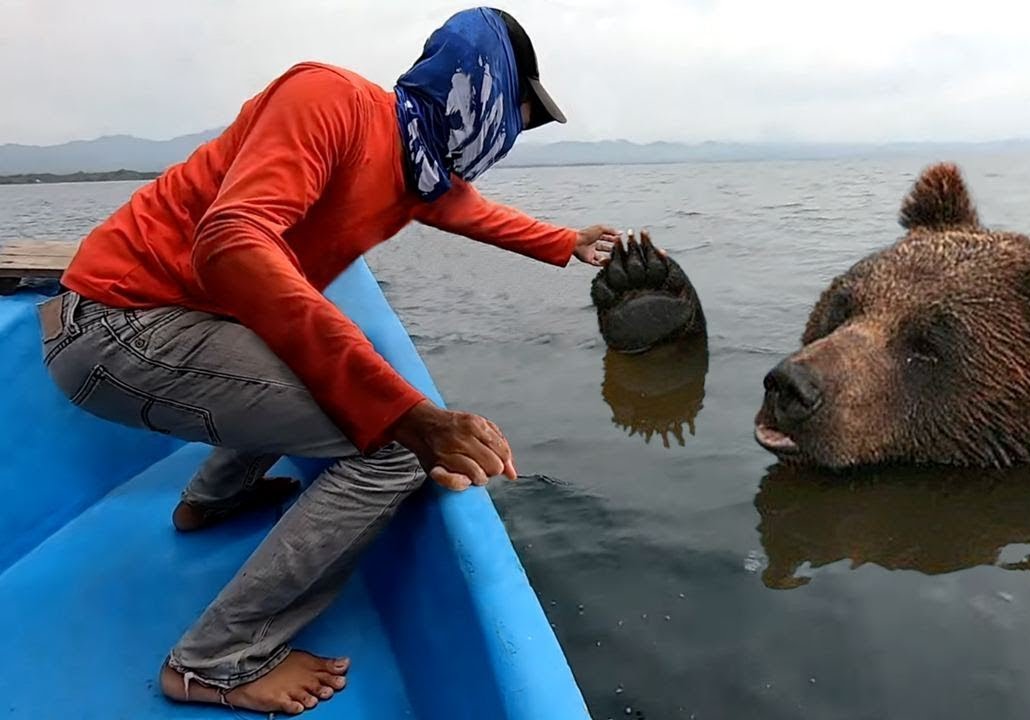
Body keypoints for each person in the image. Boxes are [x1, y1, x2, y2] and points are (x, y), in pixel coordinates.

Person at [38, 7, 617, 715]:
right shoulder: (329, 100)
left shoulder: (416, 167)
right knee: (395, 446)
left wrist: (566, 243)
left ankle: (210, 502)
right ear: (482, 91)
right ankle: (217, 660)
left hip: (163, 321)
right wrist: (408, 416)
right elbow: (232, 240)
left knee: (327, 356)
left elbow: (475, 212)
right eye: (518, 117)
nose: (511, 138)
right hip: (115, 326)